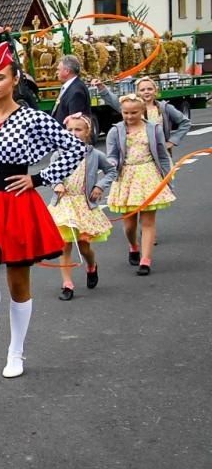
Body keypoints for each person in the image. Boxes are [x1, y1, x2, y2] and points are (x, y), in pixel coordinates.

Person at [0, 43, 86, 377]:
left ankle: (16, 353)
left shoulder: (32, 118)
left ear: (15, 80)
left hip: (17, 201)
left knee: (20, 282)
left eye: (0, 77)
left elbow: (74, 148)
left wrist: (41, 178)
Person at [48, 113, 116, 300]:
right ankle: (67, 284)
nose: (73, 133)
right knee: (64, 246)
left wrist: (99, 186)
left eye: (78, 129)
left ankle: (91, 265)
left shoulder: (95, 155)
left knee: (84, 247)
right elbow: (50, 176)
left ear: (88, 132)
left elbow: (111, 171)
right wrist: (56, 184)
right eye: (69, 130)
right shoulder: (58, 154)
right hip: (63, 204)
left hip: (83, 205)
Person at [105, 93, 175, 275]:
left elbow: (162, 156)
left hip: (149, 175)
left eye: (134, 112)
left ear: (142, 110)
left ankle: (146, 260)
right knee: (129, 226)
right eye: (126, 113)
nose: (129, 116)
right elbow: (111, 154)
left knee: (148, 222)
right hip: (126, 177)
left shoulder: (153, 129)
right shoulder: (115, 131)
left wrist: (168, 178)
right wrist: (111, 163)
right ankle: (133, 245)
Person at [50, 54, 90, 126]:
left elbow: (75, 122)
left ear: (67, 71)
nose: (56, 72)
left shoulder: (76, 91)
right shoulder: (70, 87)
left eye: (58, 69)